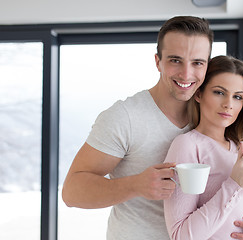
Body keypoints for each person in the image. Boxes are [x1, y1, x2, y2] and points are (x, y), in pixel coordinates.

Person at [62, 16, 214, 240]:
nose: (186, 74)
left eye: (197, 63)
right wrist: (135, 185)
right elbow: (71, 192)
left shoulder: (213, 115)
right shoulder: (125, 117)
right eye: (175, 60)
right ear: (157, 62)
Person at [163, 55, 243, 240]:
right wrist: (235, 184)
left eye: (237, 97)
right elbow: (181, 235)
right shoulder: (188, 146)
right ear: (199, 94)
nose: (228, 104)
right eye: (219, 92)